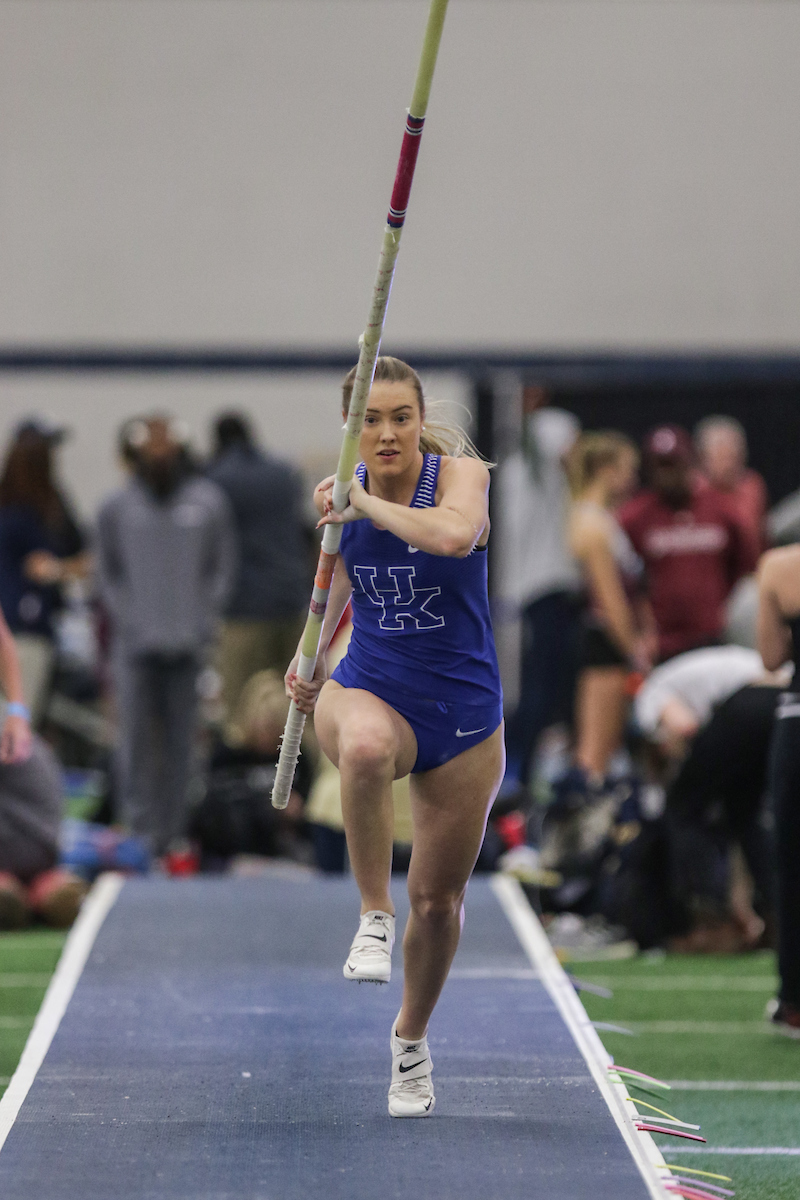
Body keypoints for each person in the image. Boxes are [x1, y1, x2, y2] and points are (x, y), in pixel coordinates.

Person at [286, 356, 504, 1118]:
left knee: (439, 902)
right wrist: (304, 658)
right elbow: (335, 588)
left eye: (399, 418)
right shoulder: (338, 498)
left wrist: (364, 507)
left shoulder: (460, 476)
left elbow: (453, 538)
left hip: (464, 713)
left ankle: (409, 1043)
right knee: (368, 751)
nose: (385, 434)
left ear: (420, 420)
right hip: (370, 686)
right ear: (351, 426)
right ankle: (371, 914)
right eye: (369, 420)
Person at [96, 415, 236, 861]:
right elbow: (106, 573)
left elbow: (222, 567)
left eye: (166, 450)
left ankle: (174, 833)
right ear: (137, 455)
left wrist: (203, 618)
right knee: (134, 740)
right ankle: (138, 832)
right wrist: (130, 620)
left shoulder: (208, 503)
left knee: (182, 741)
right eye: (150, 452)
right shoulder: (115, 508)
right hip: (135, 647)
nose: (159, 459)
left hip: (188, 643)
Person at [634, 644, 782, 950]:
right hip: (780, 705)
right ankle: (777, 915)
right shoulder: (685, 675)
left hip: (749, 701)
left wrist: (683, 763)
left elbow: (685, 725)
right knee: (745, 813)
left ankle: (711, 918)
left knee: (683, 808)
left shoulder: (649, 697)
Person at [495, 388, 581, 790]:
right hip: (537, 587)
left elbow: (569, 458)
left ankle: (524, 771)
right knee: (541, 686)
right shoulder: (520, 458)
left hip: (542, 583)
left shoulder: (542, 438)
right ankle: (519, 772)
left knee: (543, 683)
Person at [619, 425, 757, 662]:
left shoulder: (721, 509)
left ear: (689, 462)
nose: (667, 473)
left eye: (673, 463)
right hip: (661, 645)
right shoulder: (635, 517)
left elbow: (747, 567)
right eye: (660, 465)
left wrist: (731, 613)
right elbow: (623, 582)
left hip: (716, 638)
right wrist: (637, 631)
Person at [206, 413, 310, 717]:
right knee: (298, 704)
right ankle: (304, 763)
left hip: (244, 609)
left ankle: (244, 765)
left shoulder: (215, 480)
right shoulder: (283, 474)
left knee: (239, 709)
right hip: (291, 600)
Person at [566, 431, 652, 783]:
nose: (633, 479)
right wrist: (633, 650)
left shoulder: (602, 519)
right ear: (605, 469)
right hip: (603, 644)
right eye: (628, 469)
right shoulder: (591, 525)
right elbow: (610, 600)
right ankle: (578, 828)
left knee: (605, 748)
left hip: (608, 643)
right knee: (595, 752)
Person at [0, 604, 87, 928]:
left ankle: (12, 886)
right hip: (44, 842)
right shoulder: (12, 721)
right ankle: (45, 887)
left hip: (21, 834)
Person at [0, 420, 91, 722]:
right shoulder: (25, 513)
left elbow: (77, 548)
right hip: (22, 631)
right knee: (17, 725)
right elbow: (45, 567)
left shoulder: (46, 504)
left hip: (27, 627)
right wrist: (66, 569)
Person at [756, 545, 800, 1036]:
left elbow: (771, 658)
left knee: (792, 867)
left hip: (797, 723)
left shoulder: (779, 567)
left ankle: (794, 1000)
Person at [695, 416, 767, 554]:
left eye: (733, 456)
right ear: (703, 457)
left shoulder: (752, 485)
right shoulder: (693, 489)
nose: (729, 464)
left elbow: (762, 536)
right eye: (722, 457)